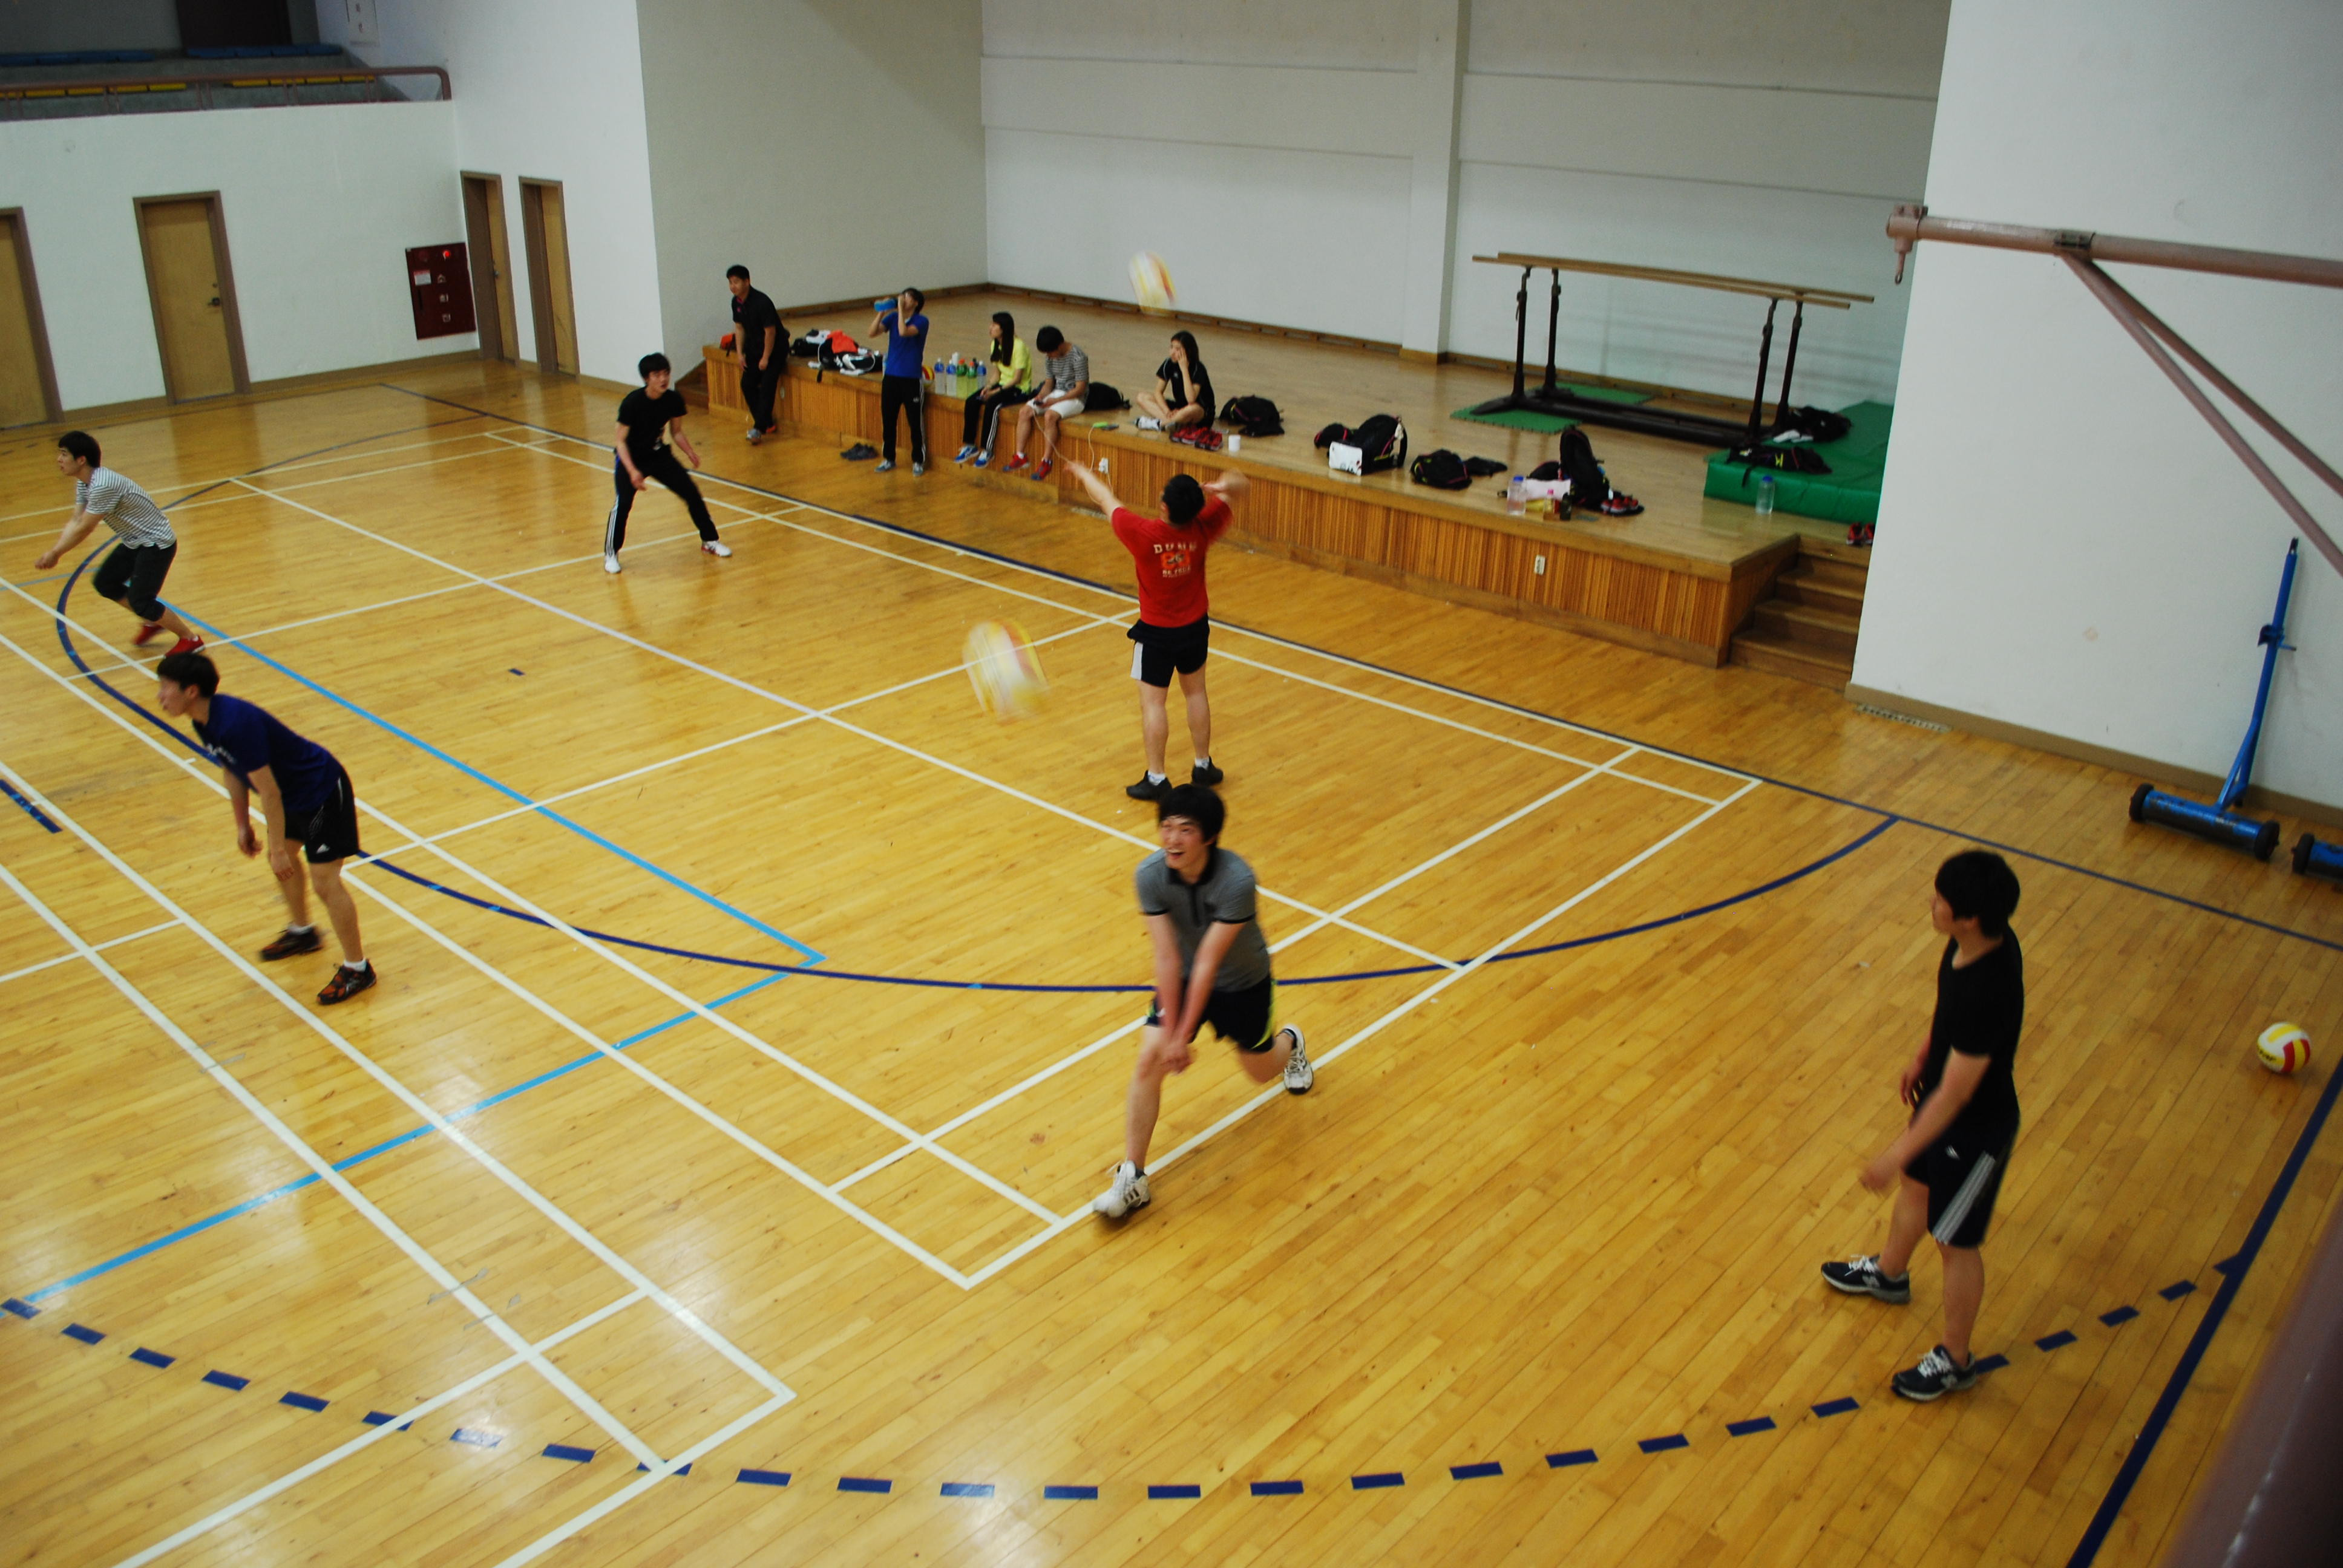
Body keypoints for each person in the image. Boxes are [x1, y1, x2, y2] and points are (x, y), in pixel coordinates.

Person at [1823, 849, 2025, 1401]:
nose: (1931, 904)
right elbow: (1946, 1015)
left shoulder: (1989, 990)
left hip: (1974, 1131)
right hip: (1939, 1106)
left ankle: (1956, 1360)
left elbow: (1958, 1095)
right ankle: (1889, 1274)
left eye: (1941, 901)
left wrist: (1894, 1154)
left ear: (1970, 918)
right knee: (1917, 1189)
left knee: (1954, 1242)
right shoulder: (1967, 946)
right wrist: (1922, 1055)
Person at [1093, 783, 1312, 1219]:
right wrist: (1172, 1035)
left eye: (1186, 830)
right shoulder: (1150, 875)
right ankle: (1133, 1175)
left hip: (1241, 983)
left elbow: (1210, 964)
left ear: (1210, 837)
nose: (1172, 839)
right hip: (1183, 976)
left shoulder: (1237, 881)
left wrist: (1180, 1037)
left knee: (1260, 1072)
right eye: (1167, 827)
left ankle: (1291, 1044)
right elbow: (1166, 956)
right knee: (1150, 1057)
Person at [156, 650, 378, 1004]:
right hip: (292, 794)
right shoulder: (203, 720)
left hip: (320, 791)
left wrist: (276, 849)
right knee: (284, 860)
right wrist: (242, 824)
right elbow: (232, 770)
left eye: (166, 688)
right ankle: (304, 932)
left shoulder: (235, 724)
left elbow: (270, 793)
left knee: (324, 881)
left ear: (191, 691)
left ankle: (358, 968)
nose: (160, 696)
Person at [1068, 460, 1244, 800]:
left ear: (1164, 506)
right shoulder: (1203, 526)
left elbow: (1105, 499)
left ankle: (1157, 778)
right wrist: (1224, 487)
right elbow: (1241, 484)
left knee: (1153, 704)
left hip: (1156, 634)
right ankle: (1203, 765)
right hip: (1195, 628)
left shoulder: (1142, 534)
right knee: (1196, 693)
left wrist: (1083, 473)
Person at [34, 432, 203, 656]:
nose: (59, 459)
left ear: (81, 460)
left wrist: (56, 553)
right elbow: (76, 520)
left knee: (141, 600)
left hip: (156, 544)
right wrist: (55, 551)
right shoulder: (85, 483)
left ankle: (191, 639)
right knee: (106, 582)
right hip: (134, 542)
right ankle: (153, 622)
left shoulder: (103, 485)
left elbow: (86, 528)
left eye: (64, 454)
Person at [606, 352, 730, 575]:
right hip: (630, 458)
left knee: (692, 493)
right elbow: (620, 442)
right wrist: (633, 472)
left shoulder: (673, 400)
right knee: (622, 505)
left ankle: (710, 541)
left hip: (658, 455)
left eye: (666, 373)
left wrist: (690, 452)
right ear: (647, 379)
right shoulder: (632, 403)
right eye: (657, 375)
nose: (663, 379)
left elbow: (677, 432)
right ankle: (611, 553)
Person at [1002, 325, 1087, 482]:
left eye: (1050, 353)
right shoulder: (1050, 356)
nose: (1049, 356)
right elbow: (1049, 383)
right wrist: (1041, 397)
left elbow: (1080, 388)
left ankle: (1046, 461)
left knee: (1050, 416)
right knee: (1025, 412)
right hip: (1056, 392)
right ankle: (1020, 456)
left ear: (1060, 346)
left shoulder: (1078, 357)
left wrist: (1055, 401)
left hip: (1075, 398)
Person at [955, 310, 1034, 466]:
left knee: (992, 404)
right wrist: (988, 387)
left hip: (1019, 389)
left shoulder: (1019, 347)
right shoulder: (995, 345)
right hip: (1002, 384)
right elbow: (997, 374)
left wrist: (994, 393)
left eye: (994, 325)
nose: (990, 328)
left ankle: (988, 450)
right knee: (972, 401)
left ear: (1003, 328)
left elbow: (1017, 379)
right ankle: (970, 445)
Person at [869, 287, 929, 474]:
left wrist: (900, 309)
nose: (903, 298)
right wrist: (882, 312)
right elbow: (872, 332)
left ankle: (918, 461)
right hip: (891, 377)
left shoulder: (922, 321)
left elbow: (904, 332)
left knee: (915, 422)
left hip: (911, 378)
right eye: (903, 295)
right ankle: (889, 458)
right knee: (888, 420)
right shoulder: (893, 317)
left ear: (916, 303)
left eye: (908, 296)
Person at [726, 264, 785, 444]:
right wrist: (740, 354)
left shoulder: (762, 302)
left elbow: (771, 332)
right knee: (747, 384)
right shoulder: (736, 302)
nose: (733, 286)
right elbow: (739, 328)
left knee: (767, 385)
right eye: (730, 282)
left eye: (736, 282)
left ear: (747, 282)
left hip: (775, 349)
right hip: (754, 348)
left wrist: (766, 358)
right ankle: (767, 423)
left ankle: (758, 429)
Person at [1133, 330, 1216, 433]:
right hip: (1180, 408)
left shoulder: (1198, 368)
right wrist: (1167, 411)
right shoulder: (1169, 363)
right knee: (1142, 397)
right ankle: (1172, 422)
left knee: (1192, 408)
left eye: (1177, 349)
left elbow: (1191, 399)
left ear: (1188, 351)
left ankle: (1159, 424)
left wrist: (1184, 369)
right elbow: (1158, 392)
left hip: (1201, 413)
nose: (1172, 352)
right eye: (1171, 347)